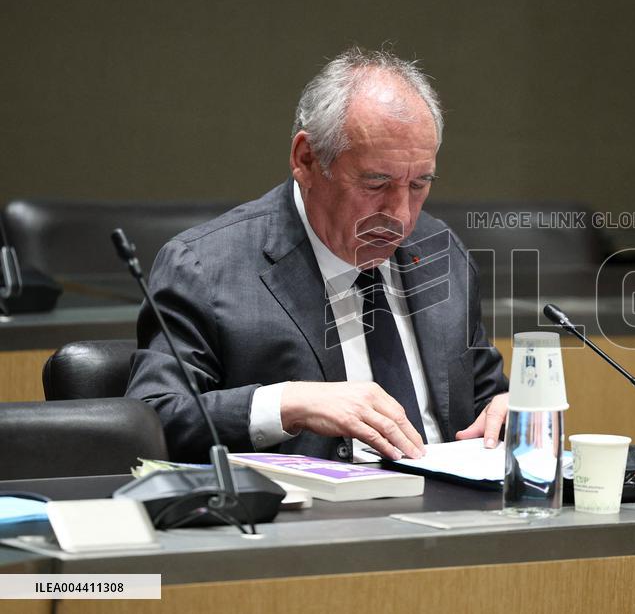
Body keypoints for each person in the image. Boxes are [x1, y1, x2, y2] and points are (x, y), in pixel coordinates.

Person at [126, 47, 509, 463]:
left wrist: (511, 411)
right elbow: (152, 417)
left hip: (451, 516)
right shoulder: (205, 267)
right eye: (377, 183)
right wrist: (289, 403)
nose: (401, 216)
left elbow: (487, 396)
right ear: (306, 159)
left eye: (419, 185)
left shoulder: (441, 252)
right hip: (312, 521)